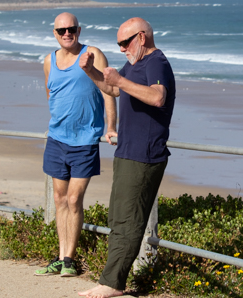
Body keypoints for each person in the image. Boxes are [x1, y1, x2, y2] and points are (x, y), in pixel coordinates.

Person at [78, 17, 176, 298]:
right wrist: (90, 71)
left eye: (125, 42)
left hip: (145, 154)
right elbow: (113, 88)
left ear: (141, 37)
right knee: (119, 217)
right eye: (118, 44)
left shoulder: (156, 62)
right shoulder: (135, 63)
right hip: (127, 151)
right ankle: (111, 280)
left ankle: (112, 284)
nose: (121, 49)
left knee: (129, 220)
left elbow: (157, 97)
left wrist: (120, 79)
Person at [34, 12, 117, 278]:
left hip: (85, 140)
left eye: (71, 29)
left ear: (79, 30)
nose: (67, 33)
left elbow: (108, 91)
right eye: (62, 30)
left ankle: (69, 259)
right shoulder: (49, 60)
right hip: (57, 139)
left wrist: (111, 126)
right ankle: (61, 258)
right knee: (59, 199)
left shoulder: (93, 54)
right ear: (55, 34)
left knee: (73, 199)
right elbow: (51, 93)